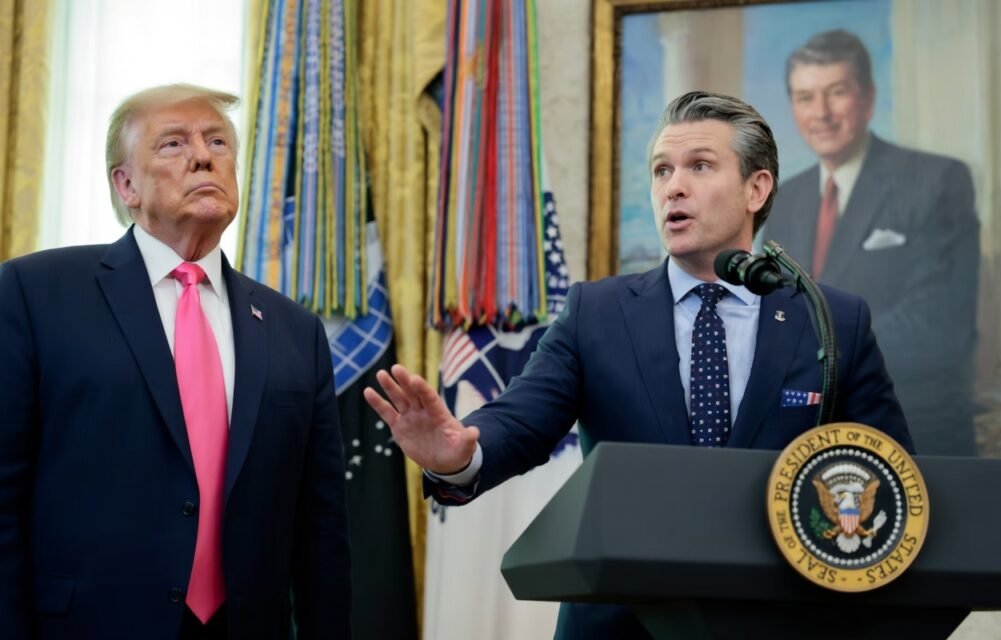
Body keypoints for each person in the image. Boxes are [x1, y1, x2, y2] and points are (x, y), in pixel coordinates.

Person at [365, 90, 914, 639]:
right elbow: (522, 419)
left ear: (757, 188)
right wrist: (462, 455)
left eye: (700, 166)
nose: (673, 186)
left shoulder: (831, 320)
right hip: (623, 624)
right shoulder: (595, 313)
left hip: (780, 622)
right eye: (661, 170)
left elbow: (891, 482)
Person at [0, 84, 351, 640]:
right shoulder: (35, 292)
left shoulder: (295, 330)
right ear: (126, 184)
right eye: (172, 144)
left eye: (218, 141)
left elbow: (322, 526)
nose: (204, 155)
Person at [765, 29, 980, 456]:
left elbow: (938, 325)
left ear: (868, 97)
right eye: (805, 97)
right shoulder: (782, 200)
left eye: (837, 92)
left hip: (913, 436)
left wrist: (813, 356)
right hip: (806, 444)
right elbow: (775, 322)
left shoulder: (936, 182)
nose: (821, 112)